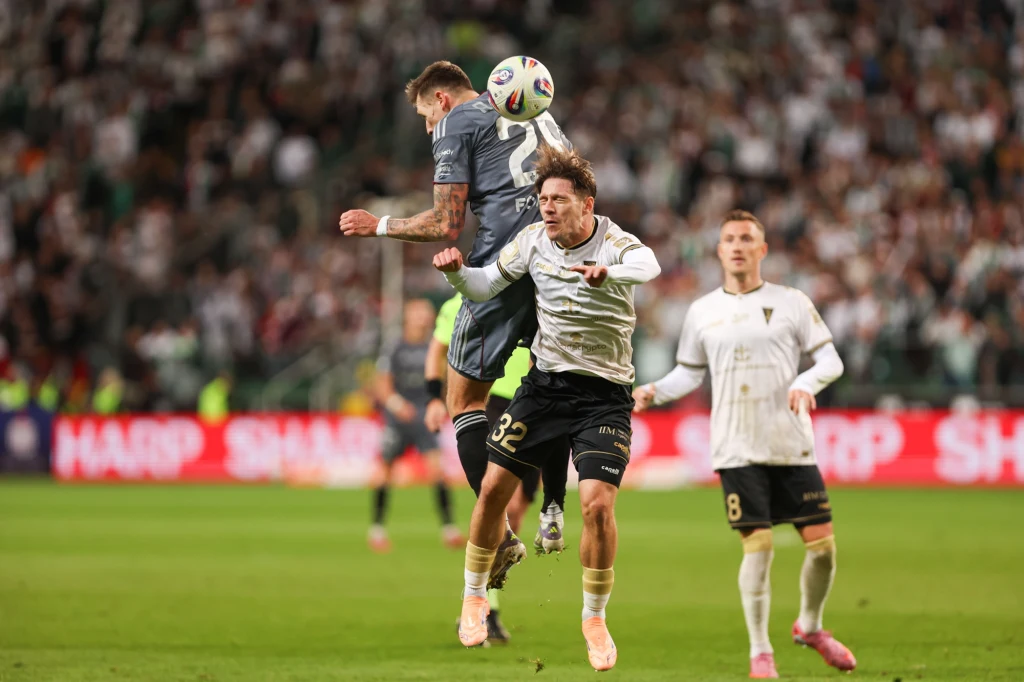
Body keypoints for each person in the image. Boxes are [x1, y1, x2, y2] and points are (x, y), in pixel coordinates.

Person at [339, 61, 573, 586]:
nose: (429, 128)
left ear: (441, 100)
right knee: (558, 388)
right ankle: (554, 507)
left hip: (505, 268)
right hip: (564, 265)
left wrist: (379, 225)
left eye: (426, 116)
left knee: (463, 400)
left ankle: (501, 535)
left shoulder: (456, 121)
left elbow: (447, 224)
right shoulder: (538, 112)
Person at [434, 146, 660, 671]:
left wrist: (607, 273)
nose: (548, 208)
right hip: (545, 388)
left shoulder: (615, 241)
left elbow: (649, 265)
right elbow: (485, 284)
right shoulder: (533, 240)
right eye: (543, 200)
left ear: (587, 203)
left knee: (598, 506)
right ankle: (473, 596)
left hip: (604, 396)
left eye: (559, 199)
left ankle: (594, 617)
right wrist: (456, 273)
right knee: (493, 488)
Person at [632, 210, 856, 679]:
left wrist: (806, 383)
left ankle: (810, 626)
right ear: (719, 250)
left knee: (823, 548)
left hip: (791, 442)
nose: (737, 245)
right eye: (729, 239)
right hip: (736, 445)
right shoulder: (702, 311)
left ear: (762, 249)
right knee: (759, 546)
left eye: (746, 238)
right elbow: (689, 373)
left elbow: (830, 360)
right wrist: (654, 391)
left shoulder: (791, 302)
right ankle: (761, 652)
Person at [426, 292, 572, 644]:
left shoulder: (536, 290)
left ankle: (487, 588)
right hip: (489, 400)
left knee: (517, 509)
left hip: (533, 397)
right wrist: (433, 397)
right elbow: (437, 350)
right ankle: (484, 605)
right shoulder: (460, 302)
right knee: (497, 500)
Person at [370, 299, 463, 553]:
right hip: (398, 418)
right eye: (418, 313)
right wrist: (397, 405)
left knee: (437, 471)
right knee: (384, 471)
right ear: (408, 317)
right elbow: (382, 384)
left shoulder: (436, 346)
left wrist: (440, 404)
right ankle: (377, 529)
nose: (423, 317)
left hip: (424, 417)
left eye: (426, 313)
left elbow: (445, 381)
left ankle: (449, 529)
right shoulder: (395, 347)